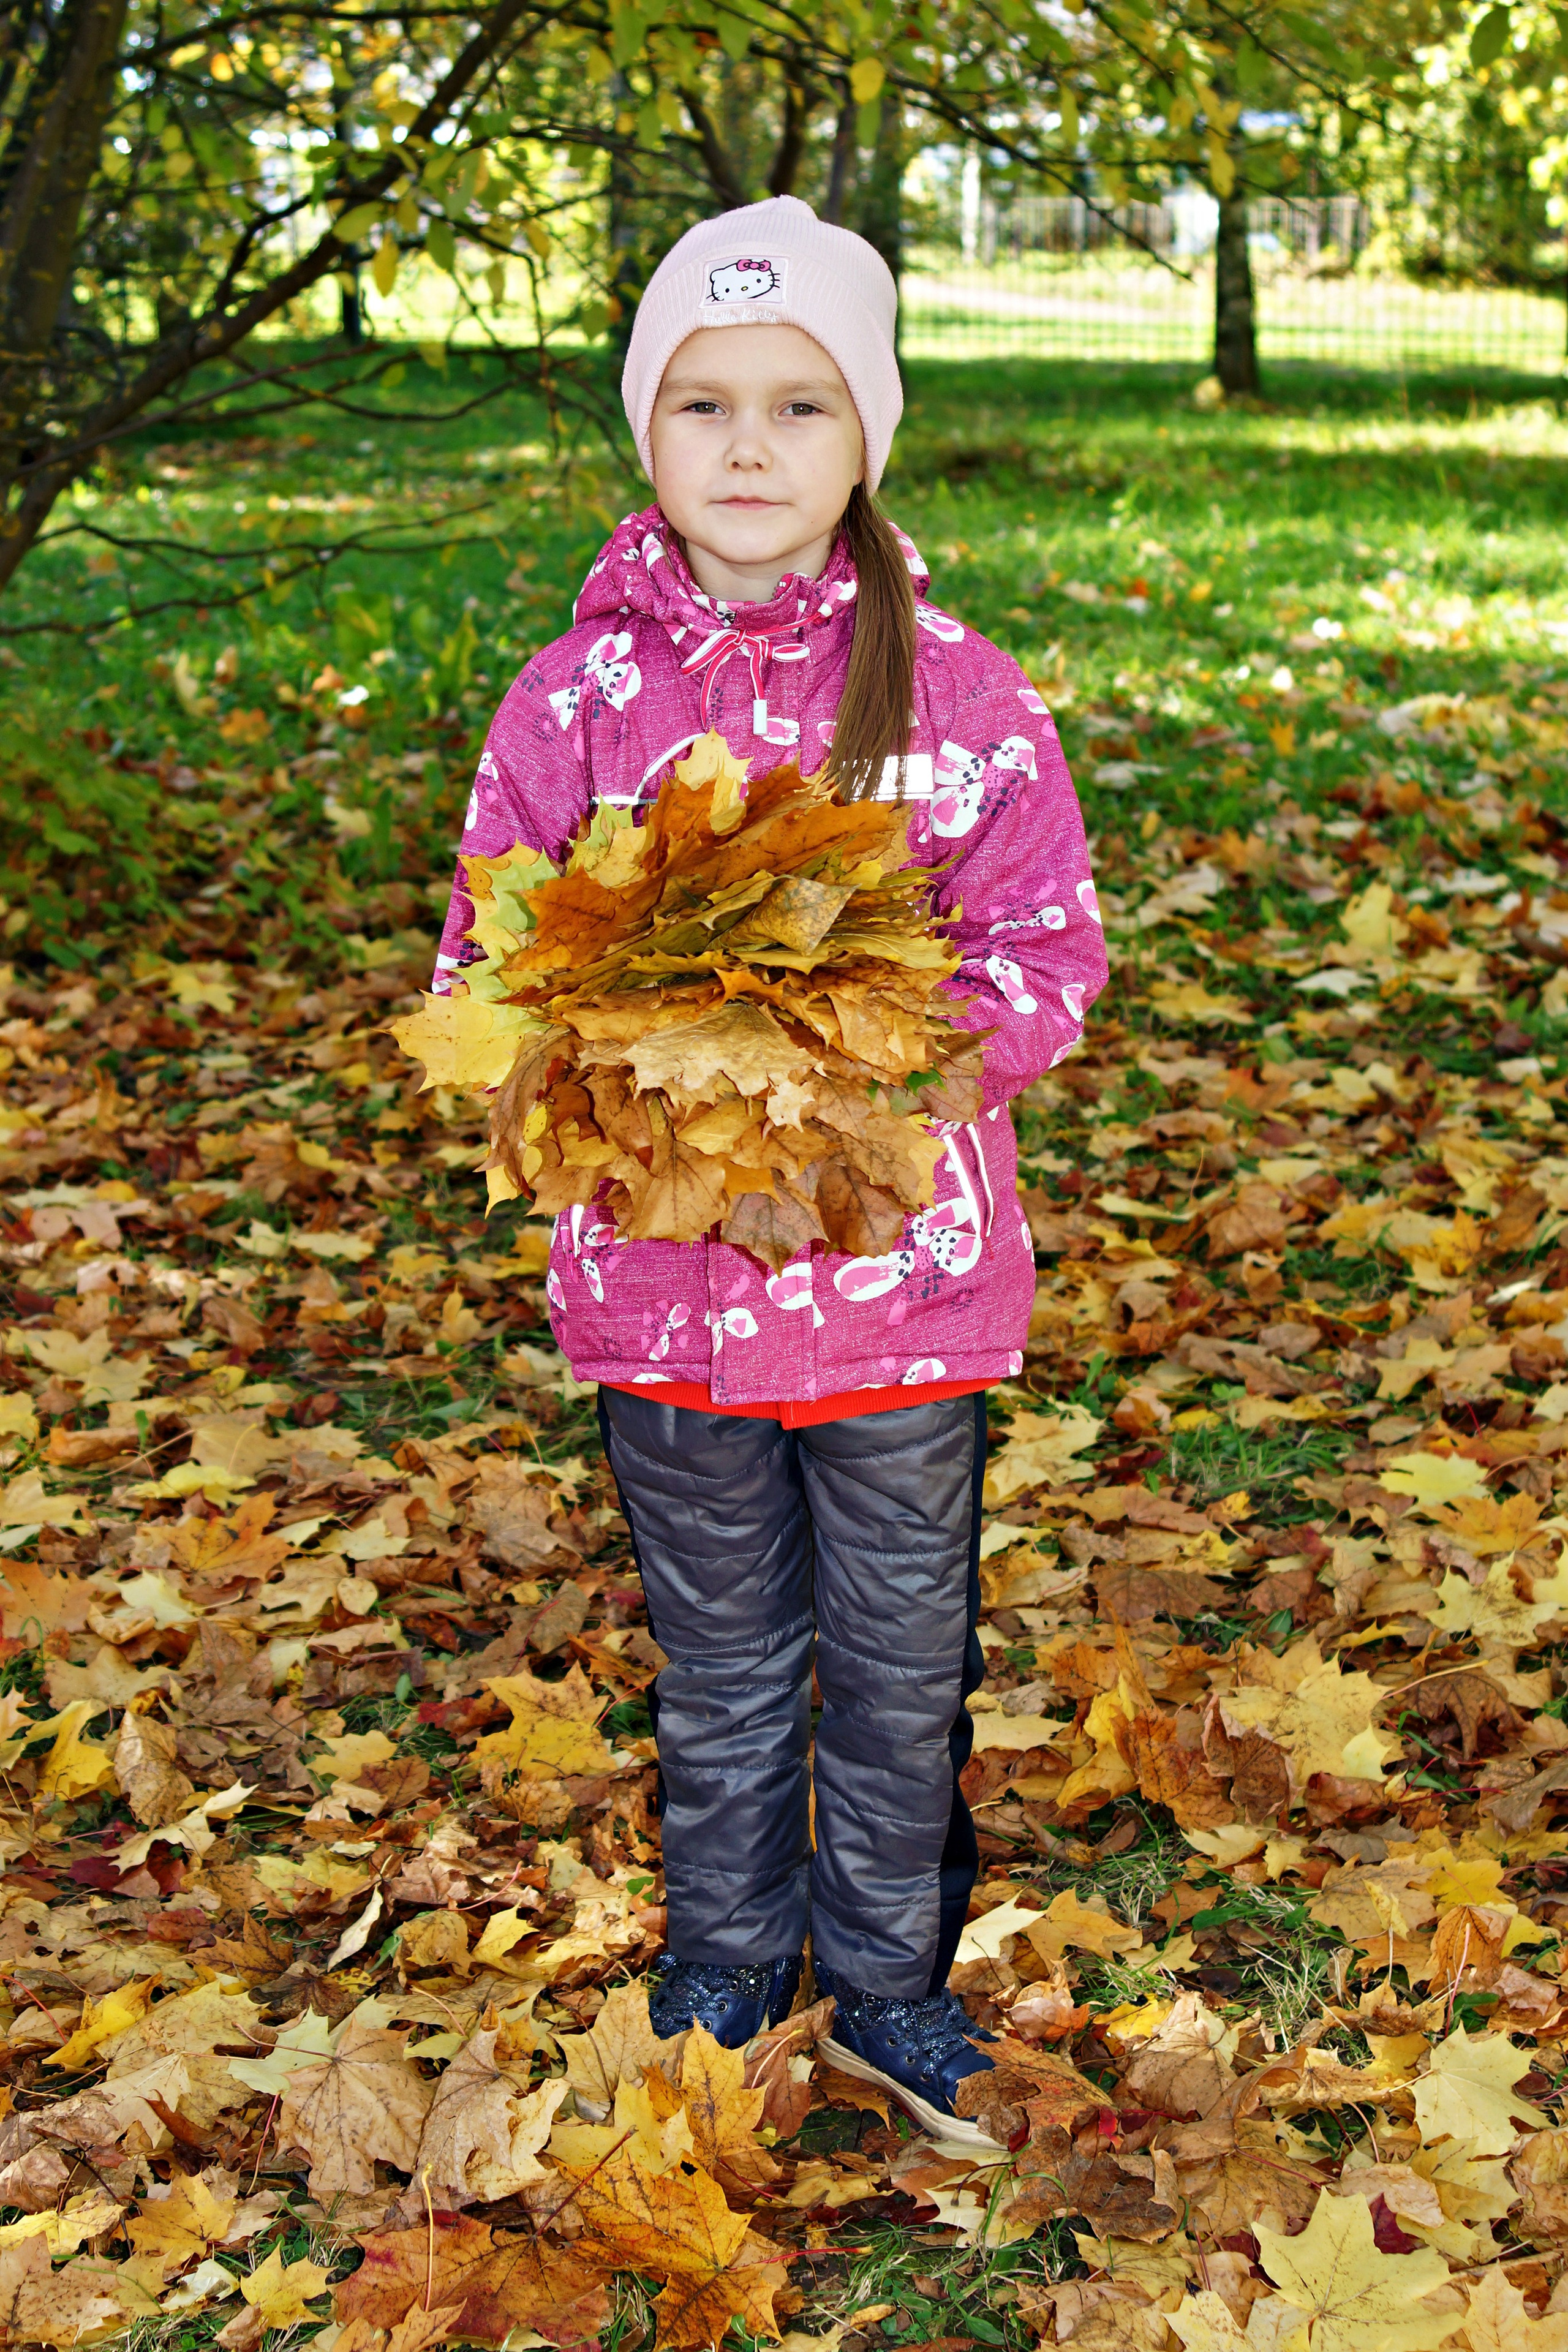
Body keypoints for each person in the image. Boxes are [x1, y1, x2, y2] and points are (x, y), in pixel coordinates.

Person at [434, 194, 1107, 2147]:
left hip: (901, 1290)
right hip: (665, 1298)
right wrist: (628, 1070)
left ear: (867, 437)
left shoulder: (960, 698)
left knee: (899, 1669)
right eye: (704, 403)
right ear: (645, 433)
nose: (749, 448)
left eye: (800, 407)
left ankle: (889, 1976)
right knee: (724, 1662)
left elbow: (1048, 959)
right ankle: (728, 1950)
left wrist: (854, 1061)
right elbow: (486, 978)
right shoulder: (571, 705)